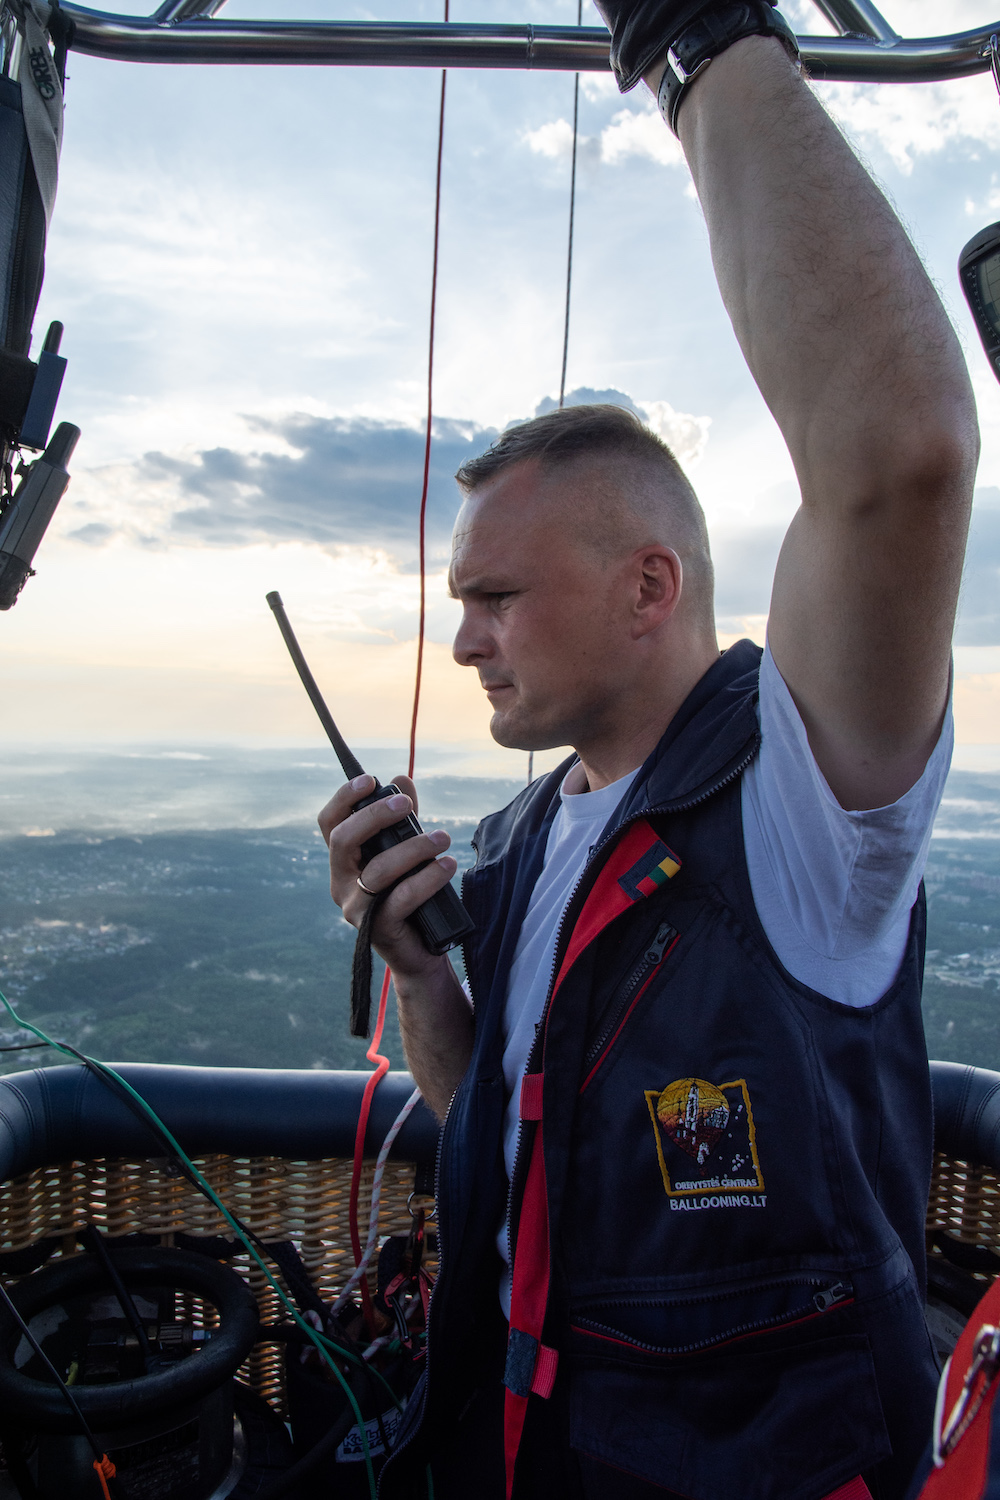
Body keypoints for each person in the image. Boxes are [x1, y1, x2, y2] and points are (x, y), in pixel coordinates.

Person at [319, 0, 979, 1491]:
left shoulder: (801, 807)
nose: (466, 640)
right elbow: (504, 1118)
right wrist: (428, 980)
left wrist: (696, 37)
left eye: (495, 597)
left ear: (649, 589)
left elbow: (902, 449)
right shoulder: (529, 842)